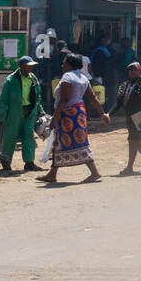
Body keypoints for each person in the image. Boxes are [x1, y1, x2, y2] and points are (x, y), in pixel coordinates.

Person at [39, 53, 107, 183]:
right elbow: (93, 98)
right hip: (79, 113)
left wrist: (54, 118)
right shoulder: (83, 77)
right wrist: (102, 113)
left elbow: (64, 99)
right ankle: (52, 174)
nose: (62, 64)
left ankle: (94, 173)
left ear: (69, 64)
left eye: (64, 62)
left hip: (67, 114)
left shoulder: (67, 77)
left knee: (67, 141)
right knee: (68, 141)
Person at [0, 56, 44, 173]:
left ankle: (29, 163)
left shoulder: (33, 78)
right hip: (14, 113)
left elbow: (37, 97)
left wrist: (40, 111)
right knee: (9, 138)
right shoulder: (11, 80)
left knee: (29, 137)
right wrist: (1, 116)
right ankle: (6, 163)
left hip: (30, 112)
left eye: (31, 66)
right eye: (28, 66)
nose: (31, 68)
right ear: (21, 66)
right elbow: (3, 100)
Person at [110, 62, 141, 175]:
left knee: (133, 140)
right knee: (136, 140)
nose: (132, 71)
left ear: (140, 71)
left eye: (135, 69)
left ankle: (129, 167)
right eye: (130, 69)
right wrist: (109, 114)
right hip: (130, 117)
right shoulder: (124, 85)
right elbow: (119, 103)